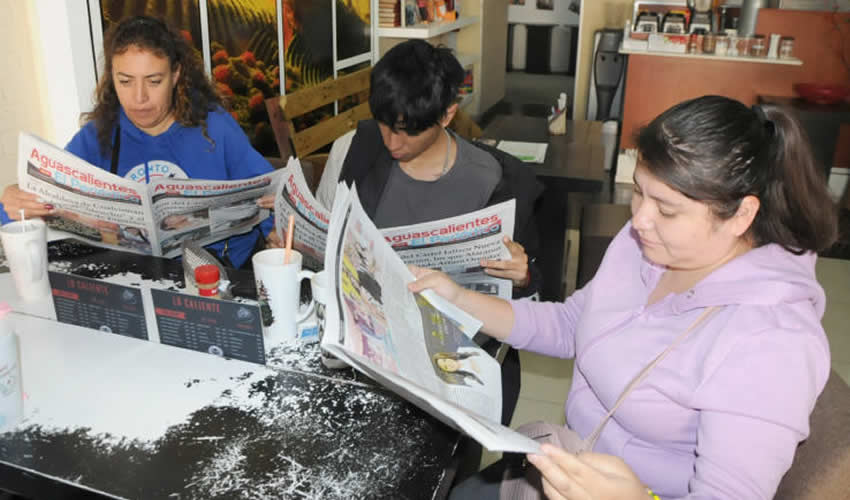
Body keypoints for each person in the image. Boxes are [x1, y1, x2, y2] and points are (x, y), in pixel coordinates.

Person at [410, 95, 838, 499]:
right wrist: (457, 298)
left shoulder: (771, 342)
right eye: (638, 191)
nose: (640, 220)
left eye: (666, 209)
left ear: (742, 214)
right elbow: (572, 325)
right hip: (572, 462)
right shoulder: (646, 247)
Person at [0, 15, 273, 269]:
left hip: (217, 277)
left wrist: (279, 235)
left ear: (176, 75)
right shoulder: (101, 133)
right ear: (111, 78)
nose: (139, 97)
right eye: (125, 81)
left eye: (154, 81)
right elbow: (33, 204)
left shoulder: (213, 126)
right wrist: (16, 199)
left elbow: (269, 196)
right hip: (131, 276)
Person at [314, 39, 543, 298]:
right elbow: (322, 239)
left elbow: (527, 291)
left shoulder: (492, 182)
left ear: (447, 116)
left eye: (409, 132)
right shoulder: (351, 151)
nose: (392, 142)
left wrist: (522, 278)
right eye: (384, 124)